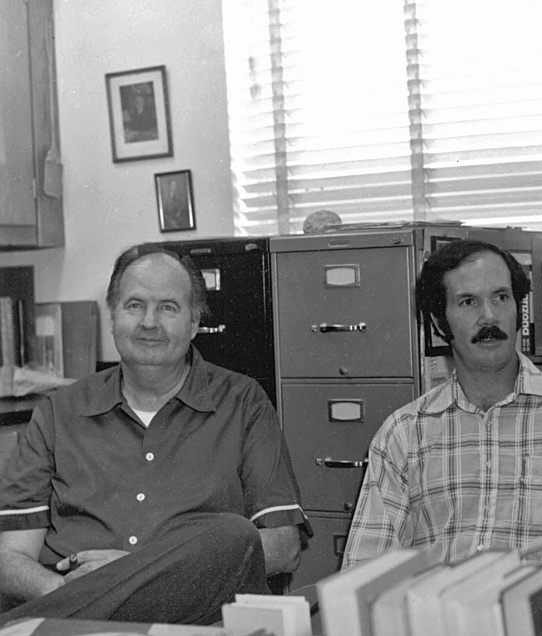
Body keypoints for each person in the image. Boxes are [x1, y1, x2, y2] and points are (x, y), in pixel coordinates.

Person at [0, 245, 311, 625]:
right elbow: (10, 557)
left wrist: (134, 577)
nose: (149, 322)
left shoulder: (244, 402)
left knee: (232, 534)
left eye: (168, 307)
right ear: (112, 317)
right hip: (78, 620)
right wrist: (79, 595)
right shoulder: (58, 412)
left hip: (196, 621)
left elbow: (284, 546)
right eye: (134, 305)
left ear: (194, 323)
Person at [343, 239, 542, 569]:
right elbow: (365, 565)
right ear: (439, 323)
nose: (489, 316)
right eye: (468, 302)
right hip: (443, 613)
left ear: (518, 310)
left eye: (501, 297)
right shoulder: (404, 433)